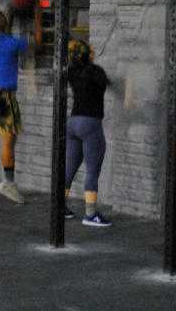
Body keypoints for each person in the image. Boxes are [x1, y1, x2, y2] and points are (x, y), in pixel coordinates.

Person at [0, 2, 42, 204]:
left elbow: (5, 33)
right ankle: (8, 182)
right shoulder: (12, 43)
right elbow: (38, 44)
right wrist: (38, 16)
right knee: (8, 140)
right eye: (0, 15)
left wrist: (11, 14)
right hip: (4, 96)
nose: (4, 16)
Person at [64, 40, 111, 226]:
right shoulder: (96, 72)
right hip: (90, 124)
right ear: (89, 54)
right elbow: (103, 84)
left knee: (69, 167)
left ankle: (60, 207)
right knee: (92, 170)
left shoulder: (71, 72)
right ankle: (90, 214)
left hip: (73, 123)